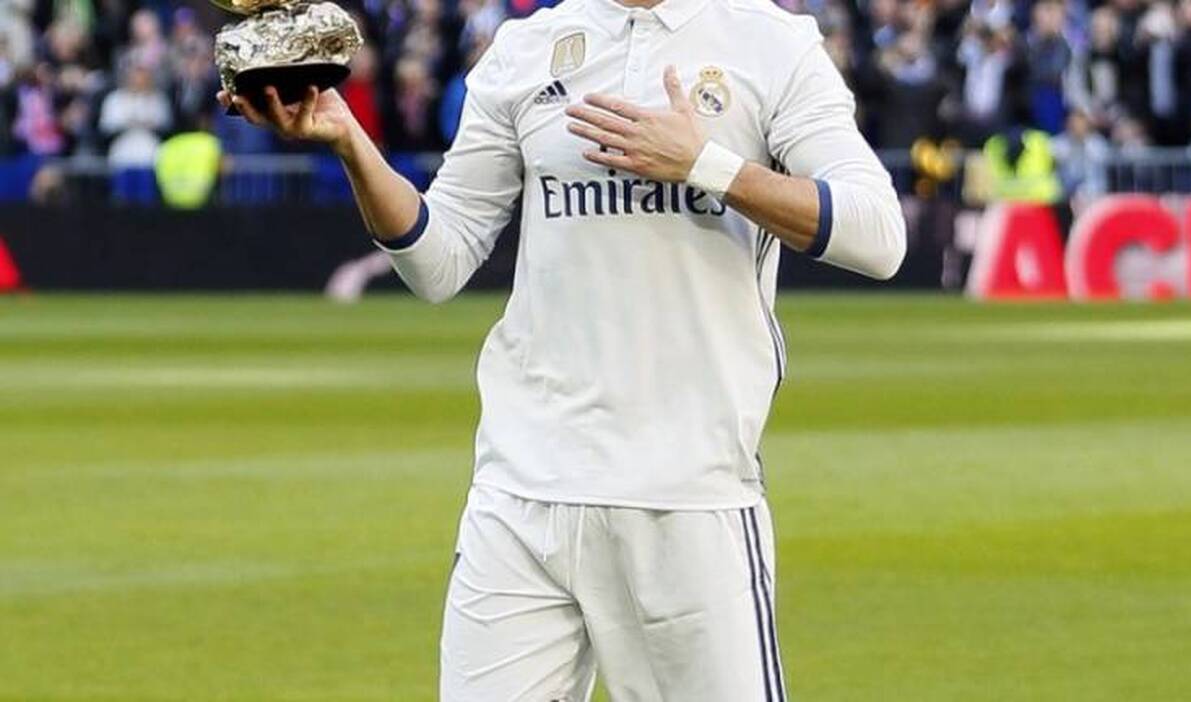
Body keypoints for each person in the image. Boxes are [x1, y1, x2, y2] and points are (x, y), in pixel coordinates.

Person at [221, 0, 905, 698]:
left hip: (687, 497)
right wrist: (350, 141)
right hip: (521, 492)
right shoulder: (525, 50)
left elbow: (878, 234)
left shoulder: (771, 42)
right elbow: (438, 260)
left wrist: (707, 164)